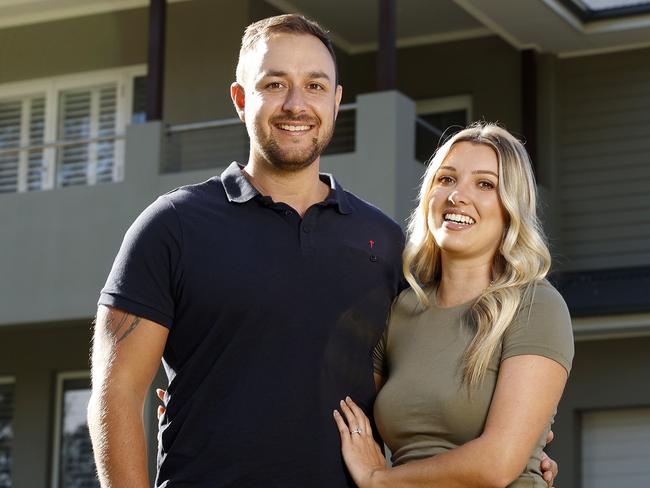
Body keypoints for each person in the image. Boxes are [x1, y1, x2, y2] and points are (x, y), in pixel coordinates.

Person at [87, 13, 559, 488]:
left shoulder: (383, 241)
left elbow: (427, 386)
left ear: (335, 102)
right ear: (240, 98)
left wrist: (524, 445)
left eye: (315, 86)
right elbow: (117, 394)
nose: (296, 104)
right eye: (274, 84)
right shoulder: (173, 226)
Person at [333, 123, 574, 487]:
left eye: (485, 184)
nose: (457, 196)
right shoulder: (399, 312)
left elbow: (497, 464)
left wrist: (379, 480)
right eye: (446, 179)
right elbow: (346, 421)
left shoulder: (535, 307)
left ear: (511, 208)